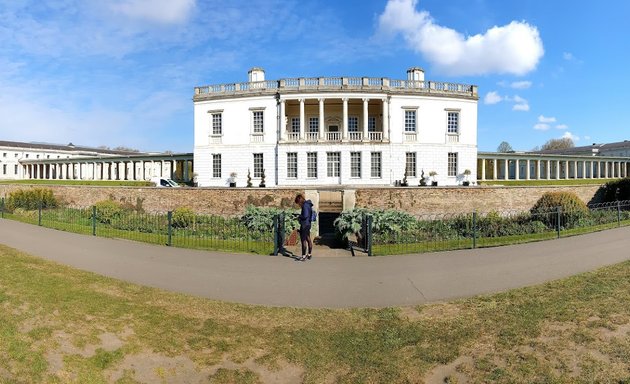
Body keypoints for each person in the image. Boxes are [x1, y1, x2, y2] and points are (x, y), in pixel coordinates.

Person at [294, 193, 314, 261]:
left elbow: (305, 216)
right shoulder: (308, 204)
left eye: (298, 203)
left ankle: (303, 256)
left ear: (299, 201)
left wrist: (299, 216)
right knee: (308, 239)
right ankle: (309, 254)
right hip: (308, 224)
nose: (298, 205)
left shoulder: (304, 205)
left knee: (303, 241)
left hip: (304, 225)